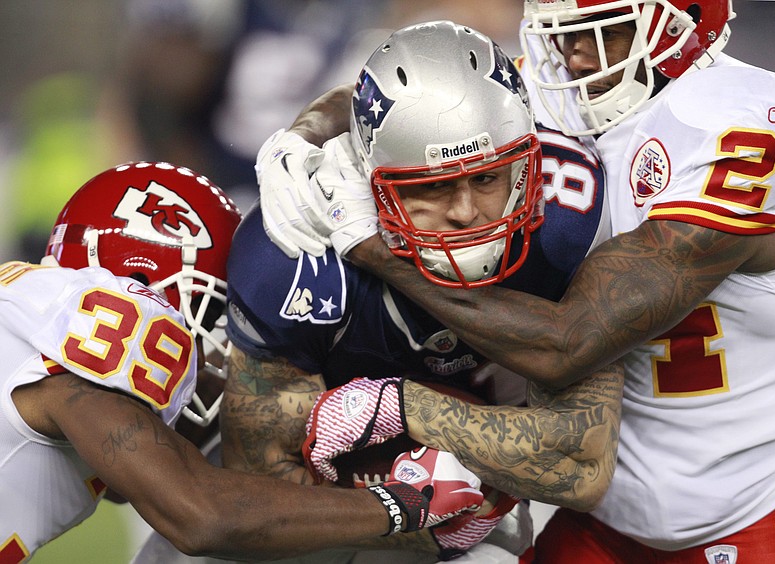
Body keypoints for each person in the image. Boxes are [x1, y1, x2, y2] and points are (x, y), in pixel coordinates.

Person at [261, 1, 775, 561]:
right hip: (602, 519)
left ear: (679, 22)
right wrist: (295, 141)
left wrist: (371, 247)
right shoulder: (575, 89)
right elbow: (386, 99)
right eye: (563, 35)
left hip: (750, 508)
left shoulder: (741, 126)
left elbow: (571, 341)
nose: (574, 56)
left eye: (603, 33)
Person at [222, 20, 622, 564]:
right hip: (331, 515)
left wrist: (401, 407)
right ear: (369, 179)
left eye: (486, 179)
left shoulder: (565, 223)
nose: (465, 212)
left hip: (484, 502)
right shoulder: (297, 254)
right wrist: (410, 517)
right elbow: (262, 485)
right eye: (431, 186)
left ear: (528, 167)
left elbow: (582, 465)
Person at [0, 161, 487, 563]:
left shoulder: (31, 319)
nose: (224, 349)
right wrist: (403, 503)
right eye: (212, 314)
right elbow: (202, 514)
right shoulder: (89, 329)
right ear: (138, 291)